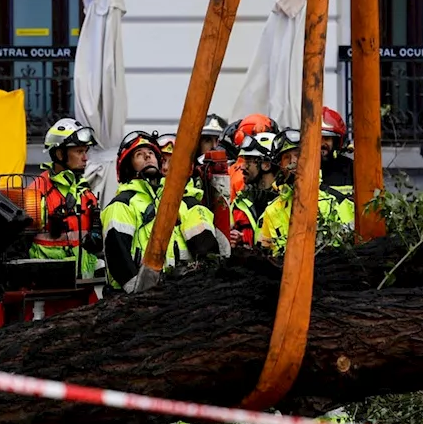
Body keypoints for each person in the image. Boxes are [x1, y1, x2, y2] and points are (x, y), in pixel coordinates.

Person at [101, 131, 223, 294]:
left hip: (177, 295)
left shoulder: (179, 202)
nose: (147, 157)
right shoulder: (122, 204)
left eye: (151, 153)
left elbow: (206, 249)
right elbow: (118, 256)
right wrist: (139, 295)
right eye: (139, 154)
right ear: (128, 166)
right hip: (132, 299)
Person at [258, 128, 355, 254]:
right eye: (287, 157)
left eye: (298, 155)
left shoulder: (336, 202)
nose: (293, 161)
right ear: (280, 165)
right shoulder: (272, 212)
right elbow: (265, 255)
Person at [30, 119, 103, 279]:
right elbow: (21, 244)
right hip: (49, 286)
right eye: (79, 152)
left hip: (84, 283)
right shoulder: (38, 190)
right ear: (60, 153)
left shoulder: (85, 190)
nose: (85, 158)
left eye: (86, 151)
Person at [229, 131, 279, 248]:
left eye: (248, 161)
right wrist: (236, 240)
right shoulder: (239, 203)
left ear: (266, 165)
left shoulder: (287, 202)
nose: (242, 166)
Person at [319, 107, 355, 196]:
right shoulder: (299, 168)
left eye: (326, 138)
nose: (321, 143)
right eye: (318, 138)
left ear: (335, 142)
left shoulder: (350, 169)